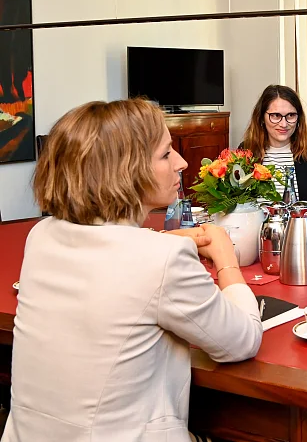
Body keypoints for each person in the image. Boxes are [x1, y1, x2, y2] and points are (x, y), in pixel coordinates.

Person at [3, 99, 263, 442]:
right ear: (127, 170)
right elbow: (241, 341)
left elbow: (110, 259)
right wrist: (226, 259)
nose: (182, 163)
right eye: (166, 154)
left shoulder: (41, 237)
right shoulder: (162, 259)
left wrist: (159, 238)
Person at [242, 84, 307, 221]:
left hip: (301, 234)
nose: (284, 124)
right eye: (275, 116)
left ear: (299, 118)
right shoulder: (246, 151)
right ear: (261, 118)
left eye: (291, 115)